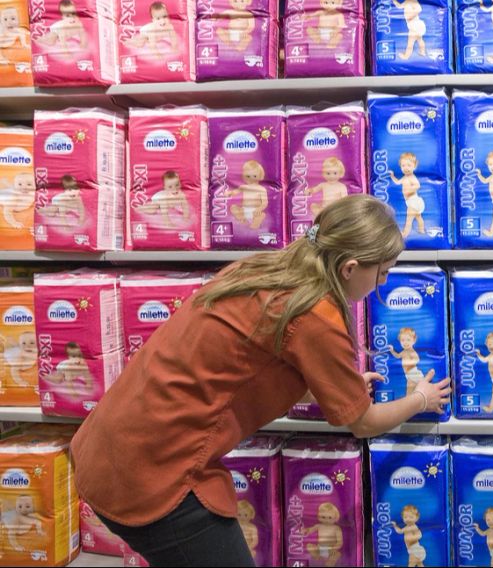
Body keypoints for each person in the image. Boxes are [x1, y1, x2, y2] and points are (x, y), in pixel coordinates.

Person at [70, 195, 451, 567]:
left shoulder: (263, 269)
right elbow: (363, 422)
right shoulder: (317, 314)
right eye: (382, 272)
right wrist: (420, 398)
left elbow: (246, 365)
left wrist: (336, 385)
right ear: (350, 268)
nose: (382, 284)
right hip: (154, 474)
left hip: (108, 444)